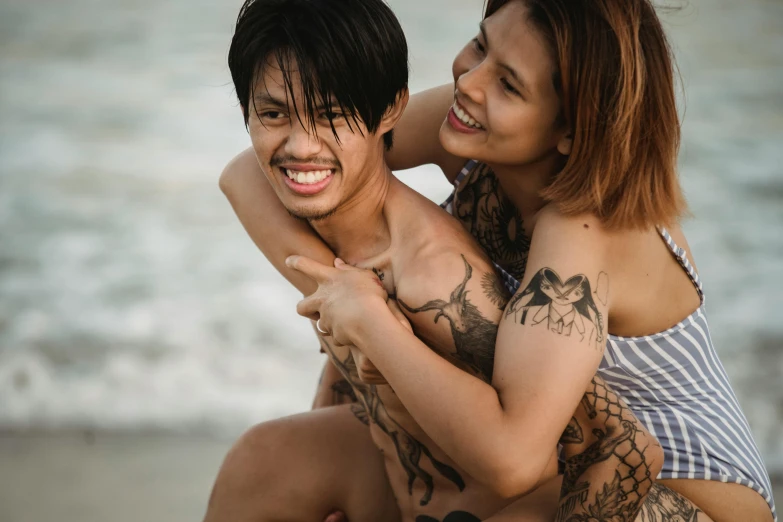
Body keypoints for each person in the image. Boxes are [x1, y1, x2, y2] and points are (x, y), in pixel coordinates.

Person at [217, 0, 778, 521]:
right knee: (267, 460)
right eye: (481, 46)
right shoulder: (472, 118)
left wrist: (371, 323)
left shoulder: (582, 233)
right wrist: (346, 308)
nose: (468, 80)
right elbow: (270, 173)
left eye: (509, 83)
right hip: (551, 451)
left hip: (681, 493)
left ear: (569, 127)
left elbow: (513, 458)